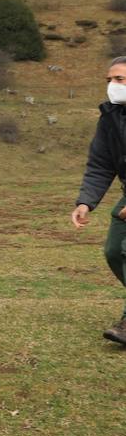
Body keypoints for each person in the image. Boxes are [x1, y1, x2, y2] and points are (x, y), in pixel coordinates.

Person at [72, 55, 126, 344]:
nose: (112, 86)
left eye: (120, 79)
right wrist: (85, 202)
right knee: (114, 252)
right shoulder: (110, 117)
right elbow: (101, 164)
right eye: (109, 80)